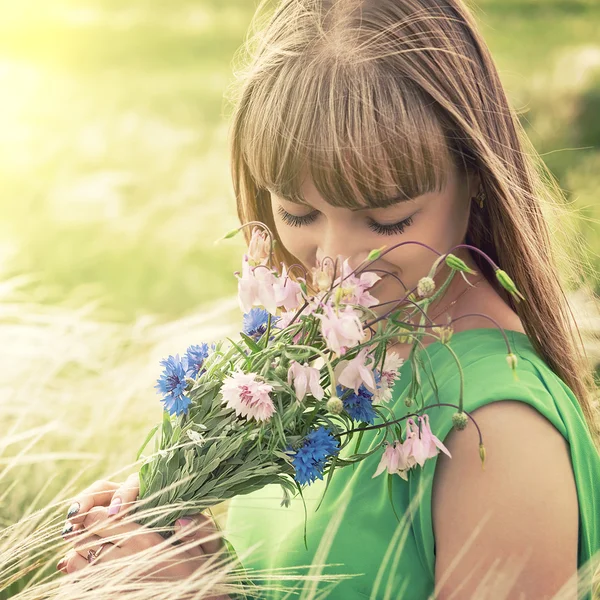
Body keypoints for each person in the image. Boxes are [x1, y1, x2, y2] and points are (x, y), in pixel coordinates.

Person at [58, 0, 600, 598]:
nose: (335, 262)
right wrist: (190, 553)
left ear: (474, 175)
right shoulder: (324, 359)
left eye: (387, 220)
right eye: (298, 212)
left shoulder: (500, 436)